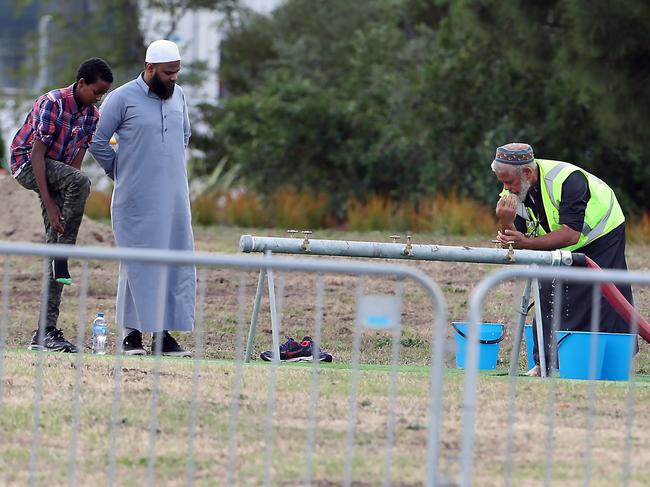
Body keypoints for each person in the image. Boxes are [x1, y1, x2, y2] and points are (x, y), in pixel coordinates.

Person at [492, 142, 636, 376]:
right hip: (563, 240)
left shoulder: (568, 180)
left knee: (606, 294)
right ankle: (544, 364)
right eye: (502, 182)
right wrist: (505, 220)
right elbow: (516, 240)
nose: (506, 188)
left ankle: (609, 365)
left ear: (527, 173)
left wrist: (526, 243)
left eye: (509, 182)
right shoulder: (513, 191)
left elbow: (571, 234)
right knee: (548, 289)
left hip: (602, 234)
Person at [89, 40, 194, 357]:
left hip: (175, 198)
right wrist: (119, 170)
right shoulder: (121, 98)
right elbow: (96, 139)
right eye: (168, 72)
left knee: (174, 262)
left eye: (176, 72)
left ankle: (164, 336)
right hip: (135, 198)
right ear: (150, 68)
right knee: (138, 263)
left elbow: (184, 136)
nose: (173, 78)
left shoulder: (179, 97)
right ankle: (131, 335)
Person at [10, 58, 113, 352]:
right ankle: (63, 253)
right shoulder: (52, 103)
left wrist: (63, 205)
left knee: (55, 246)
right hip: (27, 164)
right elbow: (37, 157)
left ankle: (45, 332)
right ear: (81, 84)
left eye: (104, 94)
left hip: (57, 170)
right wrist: (50, 204)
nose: (99, 98)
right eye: (96, 91)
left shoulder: (92, 115)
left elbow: (74, 166)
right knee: (80, 185)